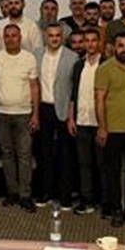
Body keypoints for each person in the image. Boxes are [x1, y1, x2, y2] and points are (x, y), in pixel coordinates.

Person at [96, 32, 125, 226]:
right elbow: (99, 100)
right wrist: (102, 127)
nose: (124, 49)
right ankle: (116, 209)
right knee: (113, 173)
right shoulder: (104, 69)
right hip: (112, 129)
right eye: (120, 45)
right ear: (113, 47)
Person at [0, 24, 41, 211]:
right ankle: (11, 192)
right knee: (7, 155)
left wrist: (35, 114)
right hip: (2, 113)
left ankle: (25, 195)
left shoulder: (29, 58)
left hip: (24, 114)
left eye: (14, 35)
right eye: (7, 36)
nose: (11, 39)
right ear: (3, 39)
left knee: (25, 155)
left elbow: (34, 87)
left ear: (20, 38)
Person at [36, 24, 78, 207]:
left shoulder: (72, 57)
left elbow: (73, 90)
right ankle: (45, 193)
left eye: (57, 36)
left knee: (64, 154)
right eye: (51, 35)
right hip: (43, 108)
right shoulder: (37, 54)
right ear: (46, 37)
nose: (54, 39)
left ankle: (65, 196)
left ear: (62, 37)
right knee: (44, 153)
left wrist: (71, 115)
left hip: (63, 109)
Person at [68, 28, 104, 215]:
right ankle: (87, 200)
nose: (90, 44)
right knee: (84, 164)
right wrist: (71, 118)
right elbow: (73, 94)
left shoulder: (106, 64)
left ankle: (105, 201)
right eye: (86, 41)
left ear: (99, 42)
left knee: (102, 165)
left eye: (93, 40)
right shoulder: (78, 66)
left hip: (101, 123)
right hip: (81, 121)